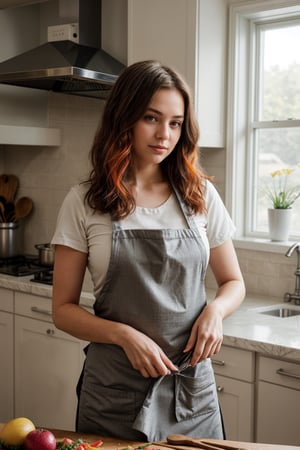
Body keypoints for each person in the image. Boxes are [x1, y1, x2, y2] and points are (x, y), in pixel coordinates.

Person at [51, 60, 245, 442]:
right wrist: (124, 335)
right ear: (125, 118)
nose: (164, 135)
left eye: (175, 123)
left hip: (189, 391)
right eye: (151, 118)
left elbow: (233, 281)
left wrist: (215, 312)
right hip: (113, 393)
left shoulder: (200, 196)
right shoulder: (85, 202)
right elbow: (63, 310)